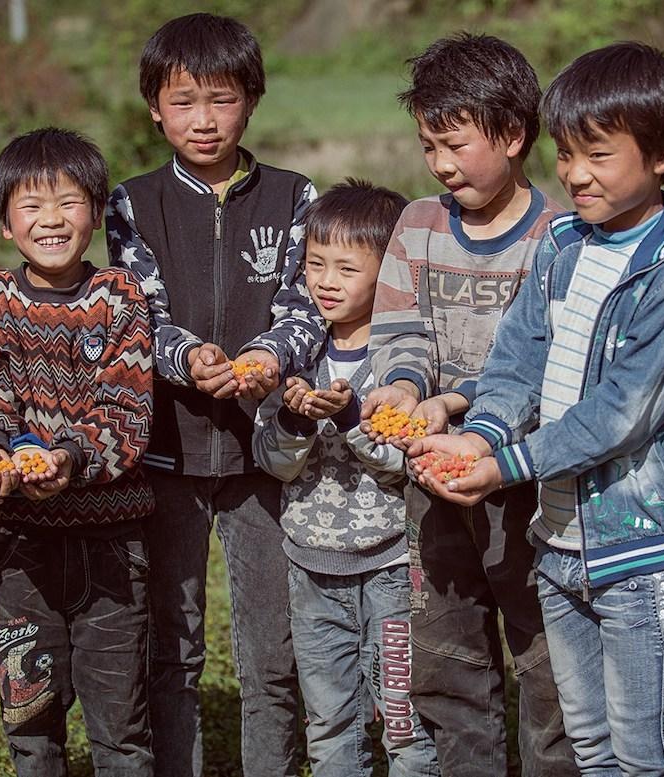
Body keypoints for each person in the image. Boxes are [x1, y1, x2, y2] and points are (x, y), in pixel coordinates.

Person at [410, 41, 664, 776]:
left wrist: (504, 465)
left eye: (600, 157)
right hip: (558, 537)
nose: (575, 175)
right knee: (590, 744)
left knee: (649, 751)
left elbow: (623, 414)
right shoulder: (564, 245)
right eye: (566, 155)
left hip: (637, 549)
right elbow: (518, 357)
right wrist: (482, 436)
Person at [106, 13, 324, 777]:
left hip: (261, 455)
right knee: (174, 645)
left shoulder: (296, 197)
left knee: (271, 650)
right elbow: (139, 312)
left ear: (253, 102)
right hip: (165, 453)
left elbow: (307, 305)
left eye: (222, 99)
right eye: (185, 101)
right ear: (155, 109)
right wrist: (186, 355)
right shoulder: (132, 203)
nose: (204, 120)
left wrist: (269, 354)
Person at [362, 32, 577, 777]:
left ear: (513, 136)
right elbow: (400, 331)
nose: (440, 164)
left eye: (454, 144)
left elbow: (547, 368)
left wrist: (453, 405)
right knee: (446, 654)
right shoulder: (417, 225)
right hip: (431, 482)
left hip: (527, 487)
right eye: (428, 145)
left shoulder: (558, 240)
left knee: (547, 656)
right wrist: (401, 387)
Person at [0, 127, 156, 776]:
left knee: (121, 726)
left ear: (96, 216)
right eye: (31, 204)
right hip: (21, 545)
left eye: (69, 202)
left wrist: (66, 457)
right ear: (6, 224)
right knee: (30, 720)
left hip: (112, 542)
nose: (51, 218)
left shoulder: (119, 299)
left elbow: (125, 412)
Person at [252, 180, 438, 777]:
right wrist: (292, 418)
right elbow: (275, 462)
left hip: (390, 569)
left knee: (403, 717)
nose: (326, 281)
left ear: (386, 276)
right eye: (315, 265)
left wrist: (353, 416)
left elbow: (403, 462)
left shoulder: (401, 362)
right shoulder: (296, 358)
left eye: (346, 268)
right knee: (329, 718)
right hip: (312, 568)